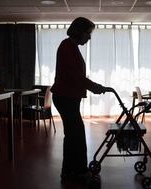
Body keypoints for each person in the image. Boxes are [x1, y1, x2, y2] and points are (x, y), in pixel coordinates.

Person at [51, 17, 105, 183]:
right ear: (79, 32)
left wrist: (92, 86)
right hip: (65, 97)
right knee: (76, 135)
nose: (89, 37)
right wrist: (94, 86)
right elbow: (75, 75)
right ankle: (77, 172)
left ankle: (70, 171)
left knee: (74, 135)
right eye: (88, 33)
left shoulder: (70, 46)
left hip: (67, 97)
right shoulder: (67, 46)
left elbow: (76, 75)